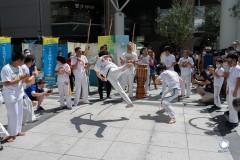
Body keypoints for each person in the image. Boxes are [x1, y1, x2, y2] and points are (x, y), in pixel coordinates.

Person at [1, 52, 29, 137]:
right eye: (22, 61)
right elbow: (6, 83)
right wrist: (20, 78)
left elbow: (20, 80)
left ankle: (18, 131)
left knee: (19, 112)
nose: (23, 63)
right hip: (10, 93)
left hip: (19, 92)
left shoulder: (19, 68)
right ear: (18, 60)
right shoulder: (6, 69)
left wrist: (24, 78)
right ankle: (11, 133)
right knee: (13, 113)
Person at [225, 53, 240, 127]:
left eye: (229, 59)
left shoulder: (237, 68)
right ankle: (231, 120)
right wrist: (228, 89)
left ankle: (234, 122)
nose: (228, 61)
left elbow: (238, 80)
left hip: (235, 90)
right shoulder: (232, 68)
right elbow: (230, 79)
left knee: (234, 106)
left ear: (234, 60)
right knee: (230, 105)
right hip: (231, 88)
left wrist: (235, 91)